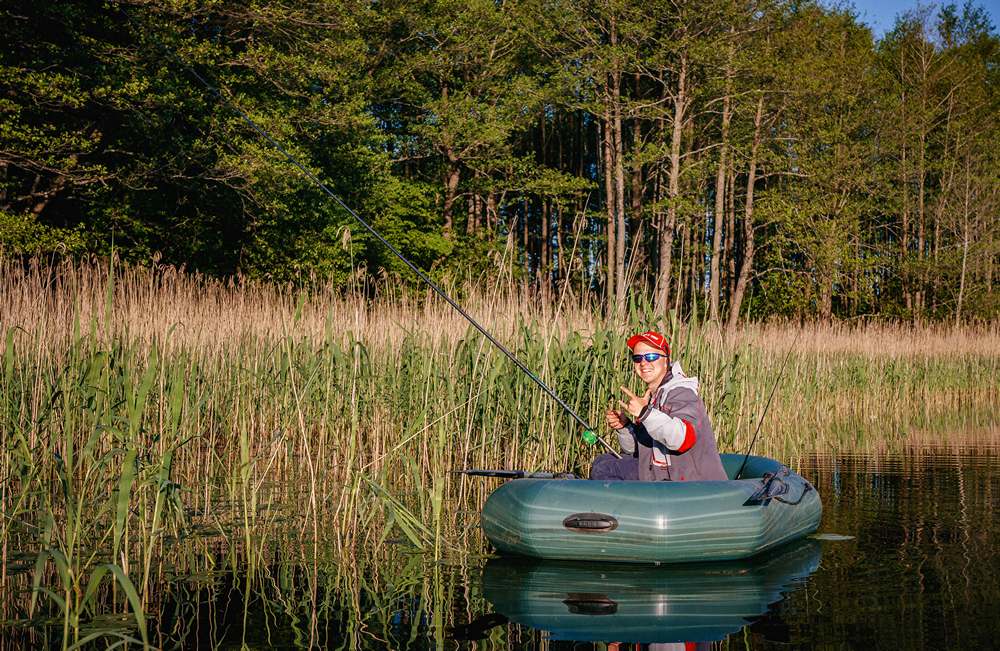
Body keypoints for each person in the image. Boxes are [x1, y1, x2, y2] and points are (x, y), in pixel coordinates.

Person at [590, 330, 728, 482]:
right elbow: (637, 449)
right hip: (662, 473)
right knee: (602, 461)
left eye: (651, 357)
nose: (643, 363)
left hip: (690, 484)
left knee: (604, 469)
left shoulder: (681, 392)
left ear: (666, 360)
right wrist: (624, 427)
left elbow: (683, 439)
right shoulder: (654, 395)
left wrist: (645, 413)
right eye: (638, 358)